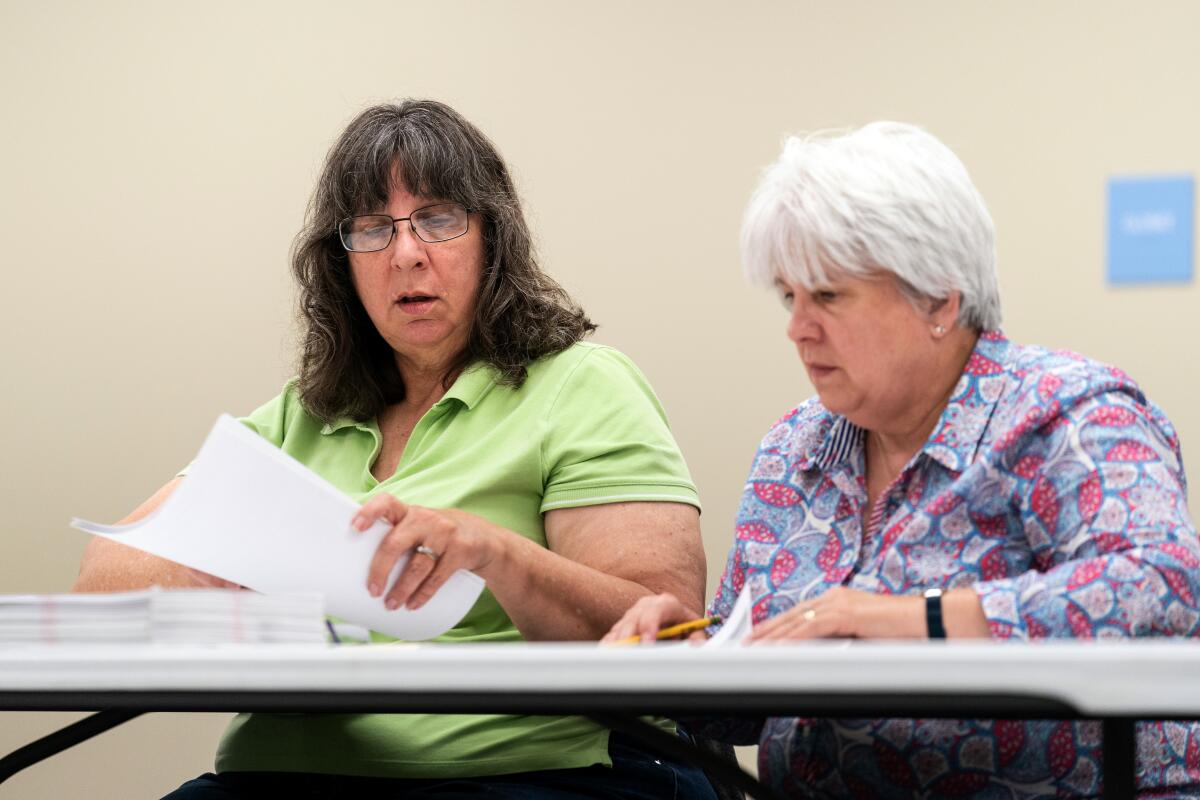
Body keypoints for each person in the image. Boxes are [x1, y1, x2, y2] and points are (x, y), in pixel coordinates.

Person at [74, 99, 717, 799]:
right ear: (342, 264)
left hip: (517, 775)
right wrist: (223, 581)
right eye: (373, 229)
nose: (407, 253)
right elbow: (105, 577)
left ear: (491, 239)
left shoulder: (582, 386)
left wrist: (496, 554)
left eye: (438, 219)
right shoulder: (304, 414)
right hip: (277, 778)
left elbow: (666, 628)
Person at [603, 122, 1200, 797]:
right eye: (788, 296)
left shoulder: (1067, 414)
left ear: (940, 298)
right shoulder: (791, 452)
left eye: (828, 295)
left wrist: (902, 619)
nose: (798, 327)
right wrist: (682, 657)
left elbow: (1163, 586)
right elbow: (750, 704)